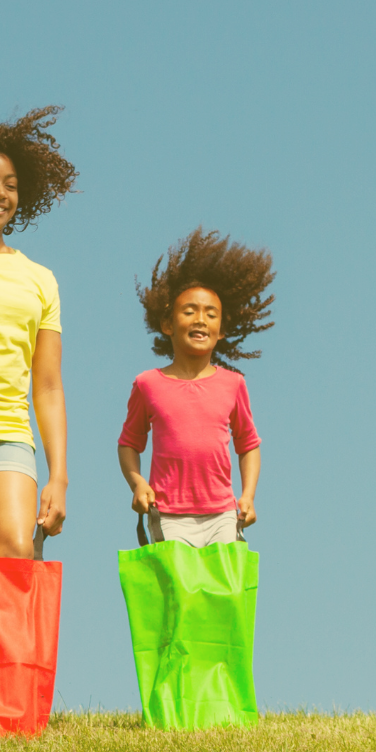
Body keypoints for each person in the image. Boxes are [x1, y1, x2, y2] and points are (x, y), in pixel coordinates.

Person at [117, 228, 273, 547]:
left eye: (210, 314)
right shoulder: (147, 384)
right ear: (167, 325)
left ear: (222, 330)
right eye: (189, 312)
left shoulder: (233, 384)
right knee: (179, 583)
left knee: (221, 582)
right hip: (167, 514)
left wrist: (248, 496)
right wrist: (137, 484)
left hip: (223, 515)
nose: (200, 319)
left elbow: (248, 444)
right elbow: (129, 443)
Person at [0, 107, 76, 557]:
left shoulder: (40, 279)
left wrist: (59, 477)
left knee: (16, 551)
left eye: (10, 185)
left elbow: (48, 385)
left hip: (9, 432)